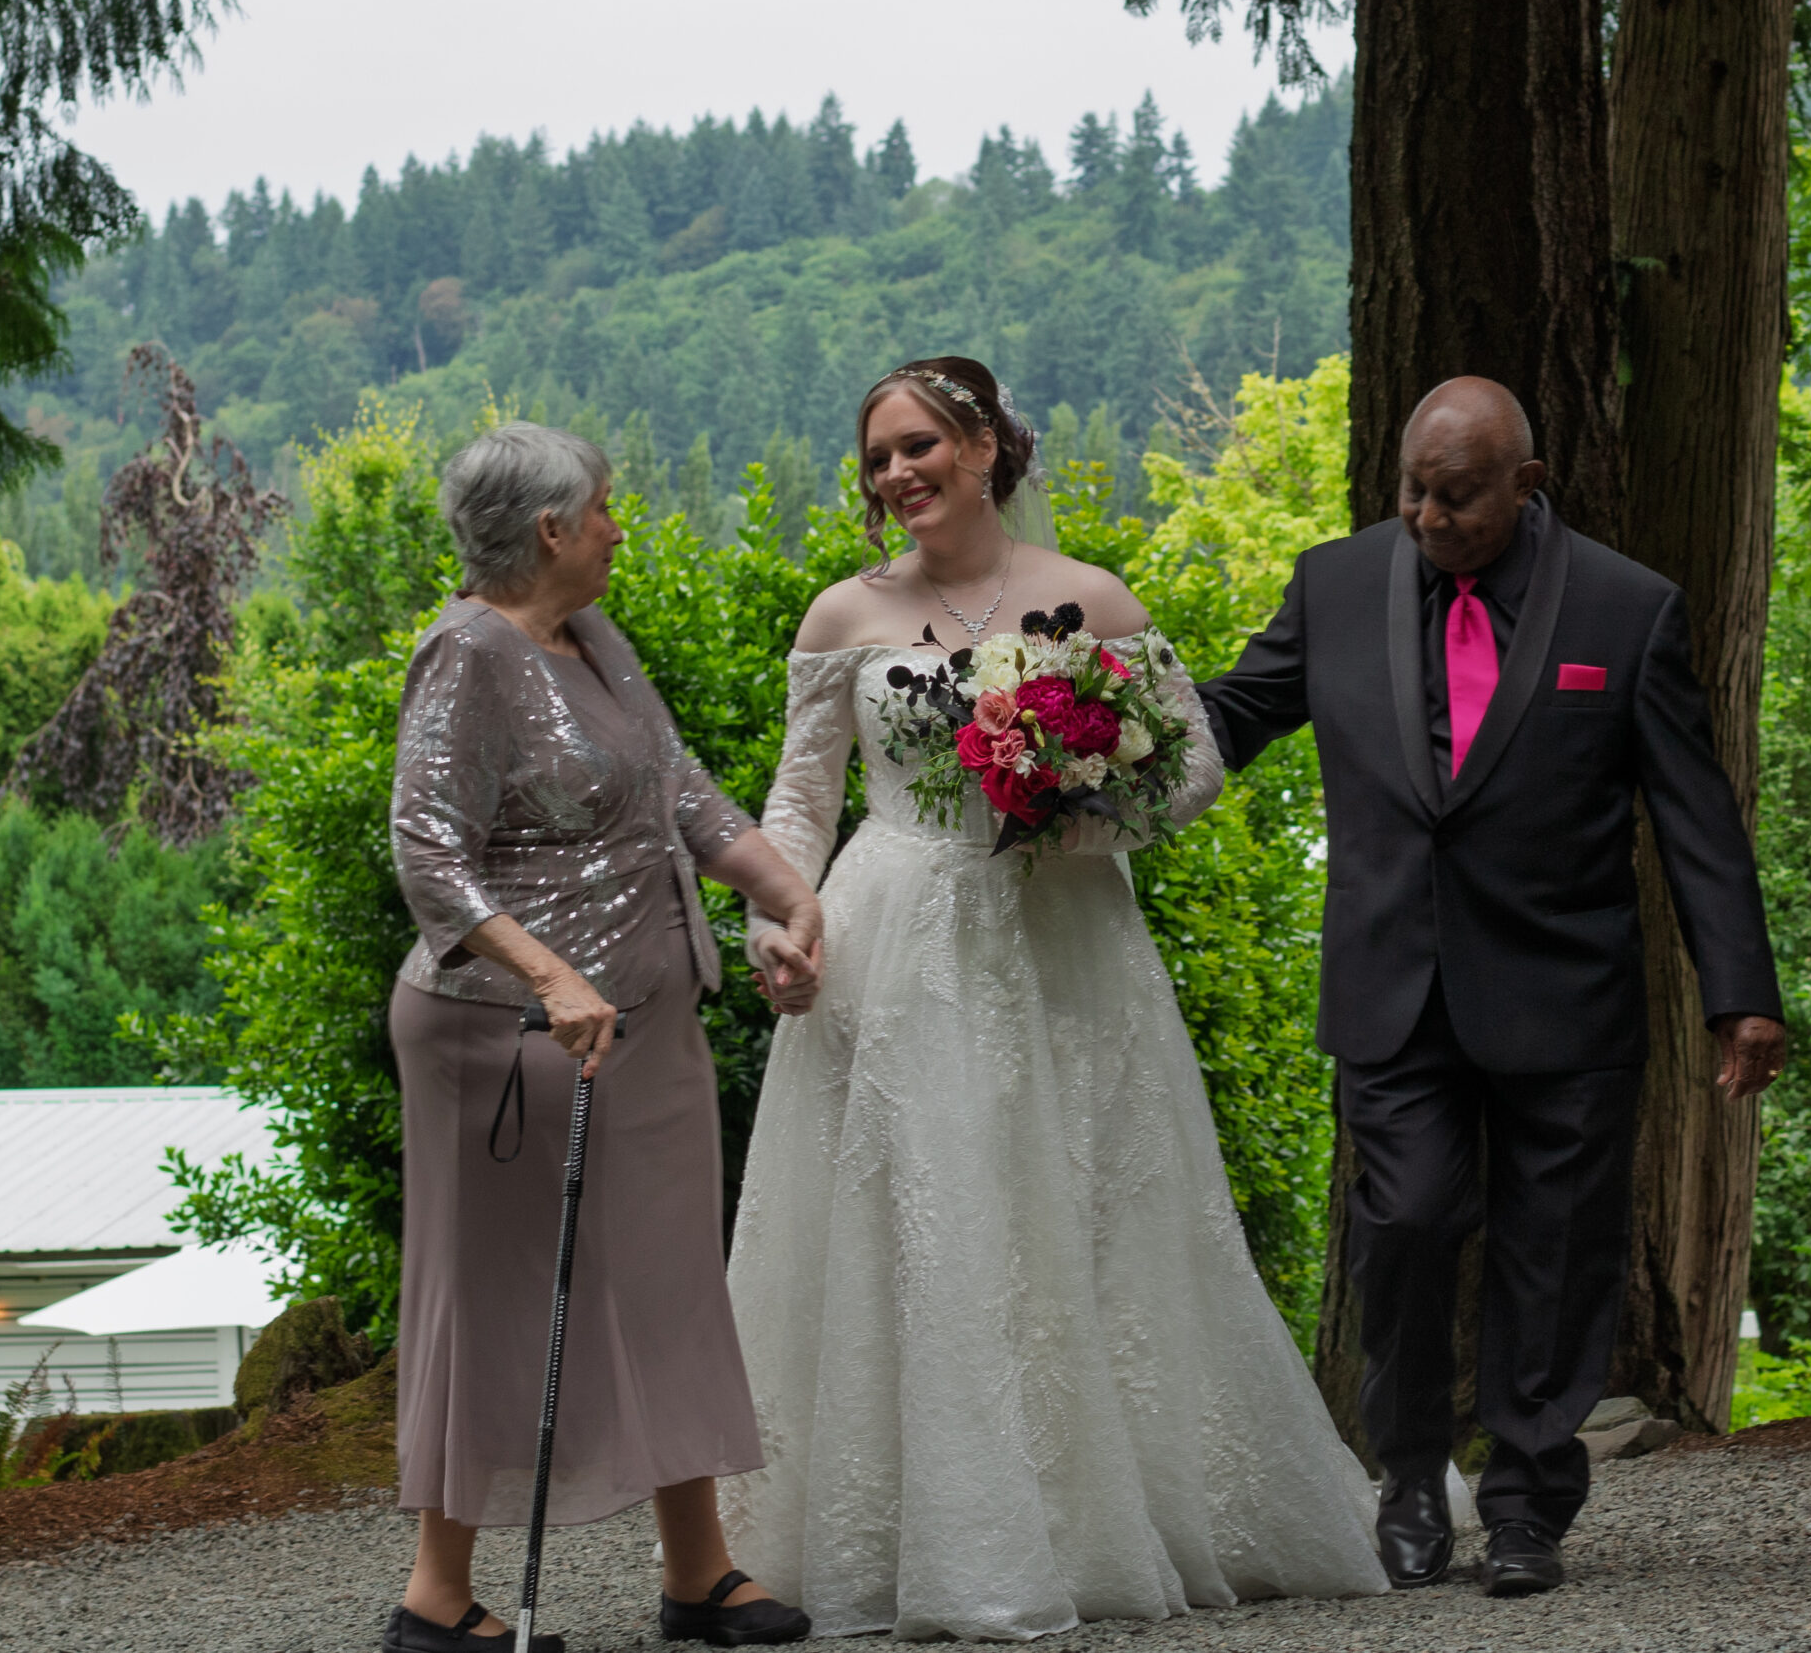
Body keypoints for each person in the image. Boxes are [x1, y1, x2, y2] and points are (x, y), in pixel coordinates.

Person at [719, 358, 1399, 1641]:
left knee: (1079, 1201)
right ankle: (933, 1528)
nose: (896, 475)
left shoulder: (1087, 598)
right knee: (932, 1218)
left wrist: (1080, 817)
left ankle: (1097, 1512)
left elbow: (1190, 767)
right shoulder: (840, 615)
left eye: (917, 446)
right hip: (898, 934)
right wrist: (776, 920)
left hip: (1064, 937)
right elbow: (798, 806)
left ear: (982, 446)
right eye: (876, 459)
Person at [1195, 377, 1789, 1599]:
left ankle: (1526, 1501)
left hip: (1565, 992)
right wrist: (1083, 737)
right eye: (1411, 488)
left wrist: (1739, 990)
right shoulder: (1335, 583)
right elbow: (1230, 716)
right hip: (1391, 985)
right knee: (1403, 1223)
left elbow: (1694, 816)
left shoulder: (1628, 609)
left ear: (1525, 484)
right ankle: (1409, 1474)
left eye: (1456, 494)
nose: (1426, 513)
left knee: (1555, 1251)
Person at [385, 422, 827, 1653]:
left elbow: (680, 790)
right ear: (550, 529)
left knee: (672, 1282)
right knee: (493, 1299)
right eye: (607, 507)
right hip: (510, 1036)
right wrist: (550, 975)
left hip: (649, 1019)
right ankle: (434, 1597)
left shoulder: (594, 639)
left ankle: (701, 1574)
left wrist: (782, 893)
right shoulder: (465, 653)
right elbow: (429, 855)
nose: (619, 526)